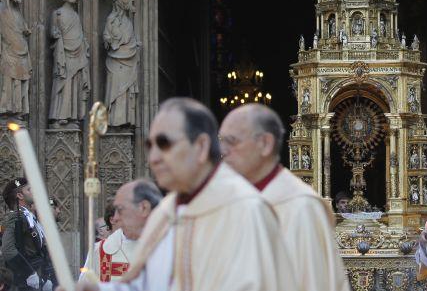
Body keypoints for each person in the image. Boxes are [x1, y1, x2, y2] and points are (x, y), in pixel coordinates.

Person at [65, 97, 296, 291]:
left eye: (164, 144)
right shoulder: (165, 213)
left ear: (202, 146)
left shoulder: (245, 210)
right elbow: (148, 284)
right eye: (150, 146)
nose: (154, 157)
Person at [220, 104, 349, 291]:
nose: (224, 152)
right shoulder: (230, 200)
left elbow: (313, 283)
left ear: (265, 143)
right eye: (221, 142)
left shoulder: (301, 207)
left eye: (231, 142)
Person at [80, 180, 162, 282]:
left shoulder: (166, 247)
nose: (116, 217)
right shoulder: (99, 251)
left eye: (120, 210)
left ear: (144, 208)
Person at [2, 178, 54, 291]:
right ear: (20, 196)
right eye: (29, 189)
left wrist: (45, 277)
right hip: (24, 282)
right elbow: (8, 249)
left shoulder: (28, 217)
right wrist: (28, 273)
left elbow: (39, 251)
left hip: (36, 277)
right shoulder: (16, 216)